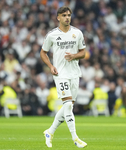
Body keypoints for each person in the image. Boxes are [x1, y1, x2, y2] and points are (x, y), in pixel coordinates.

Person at [40, 6, 87, 148]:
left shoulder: (77, 33)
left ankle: (50, 131)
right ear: (58, 17)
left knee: (69, 107)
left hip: (74, 73)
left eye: (69, 15)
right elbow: (43, 52)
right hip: (60, 74)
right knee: (67, 105)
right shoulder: (52, 34)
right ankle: (75, 138)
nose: (67, 17)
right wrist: (50, 66)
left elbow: (83, 52)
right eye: (64, 15)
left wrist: (74, 56)